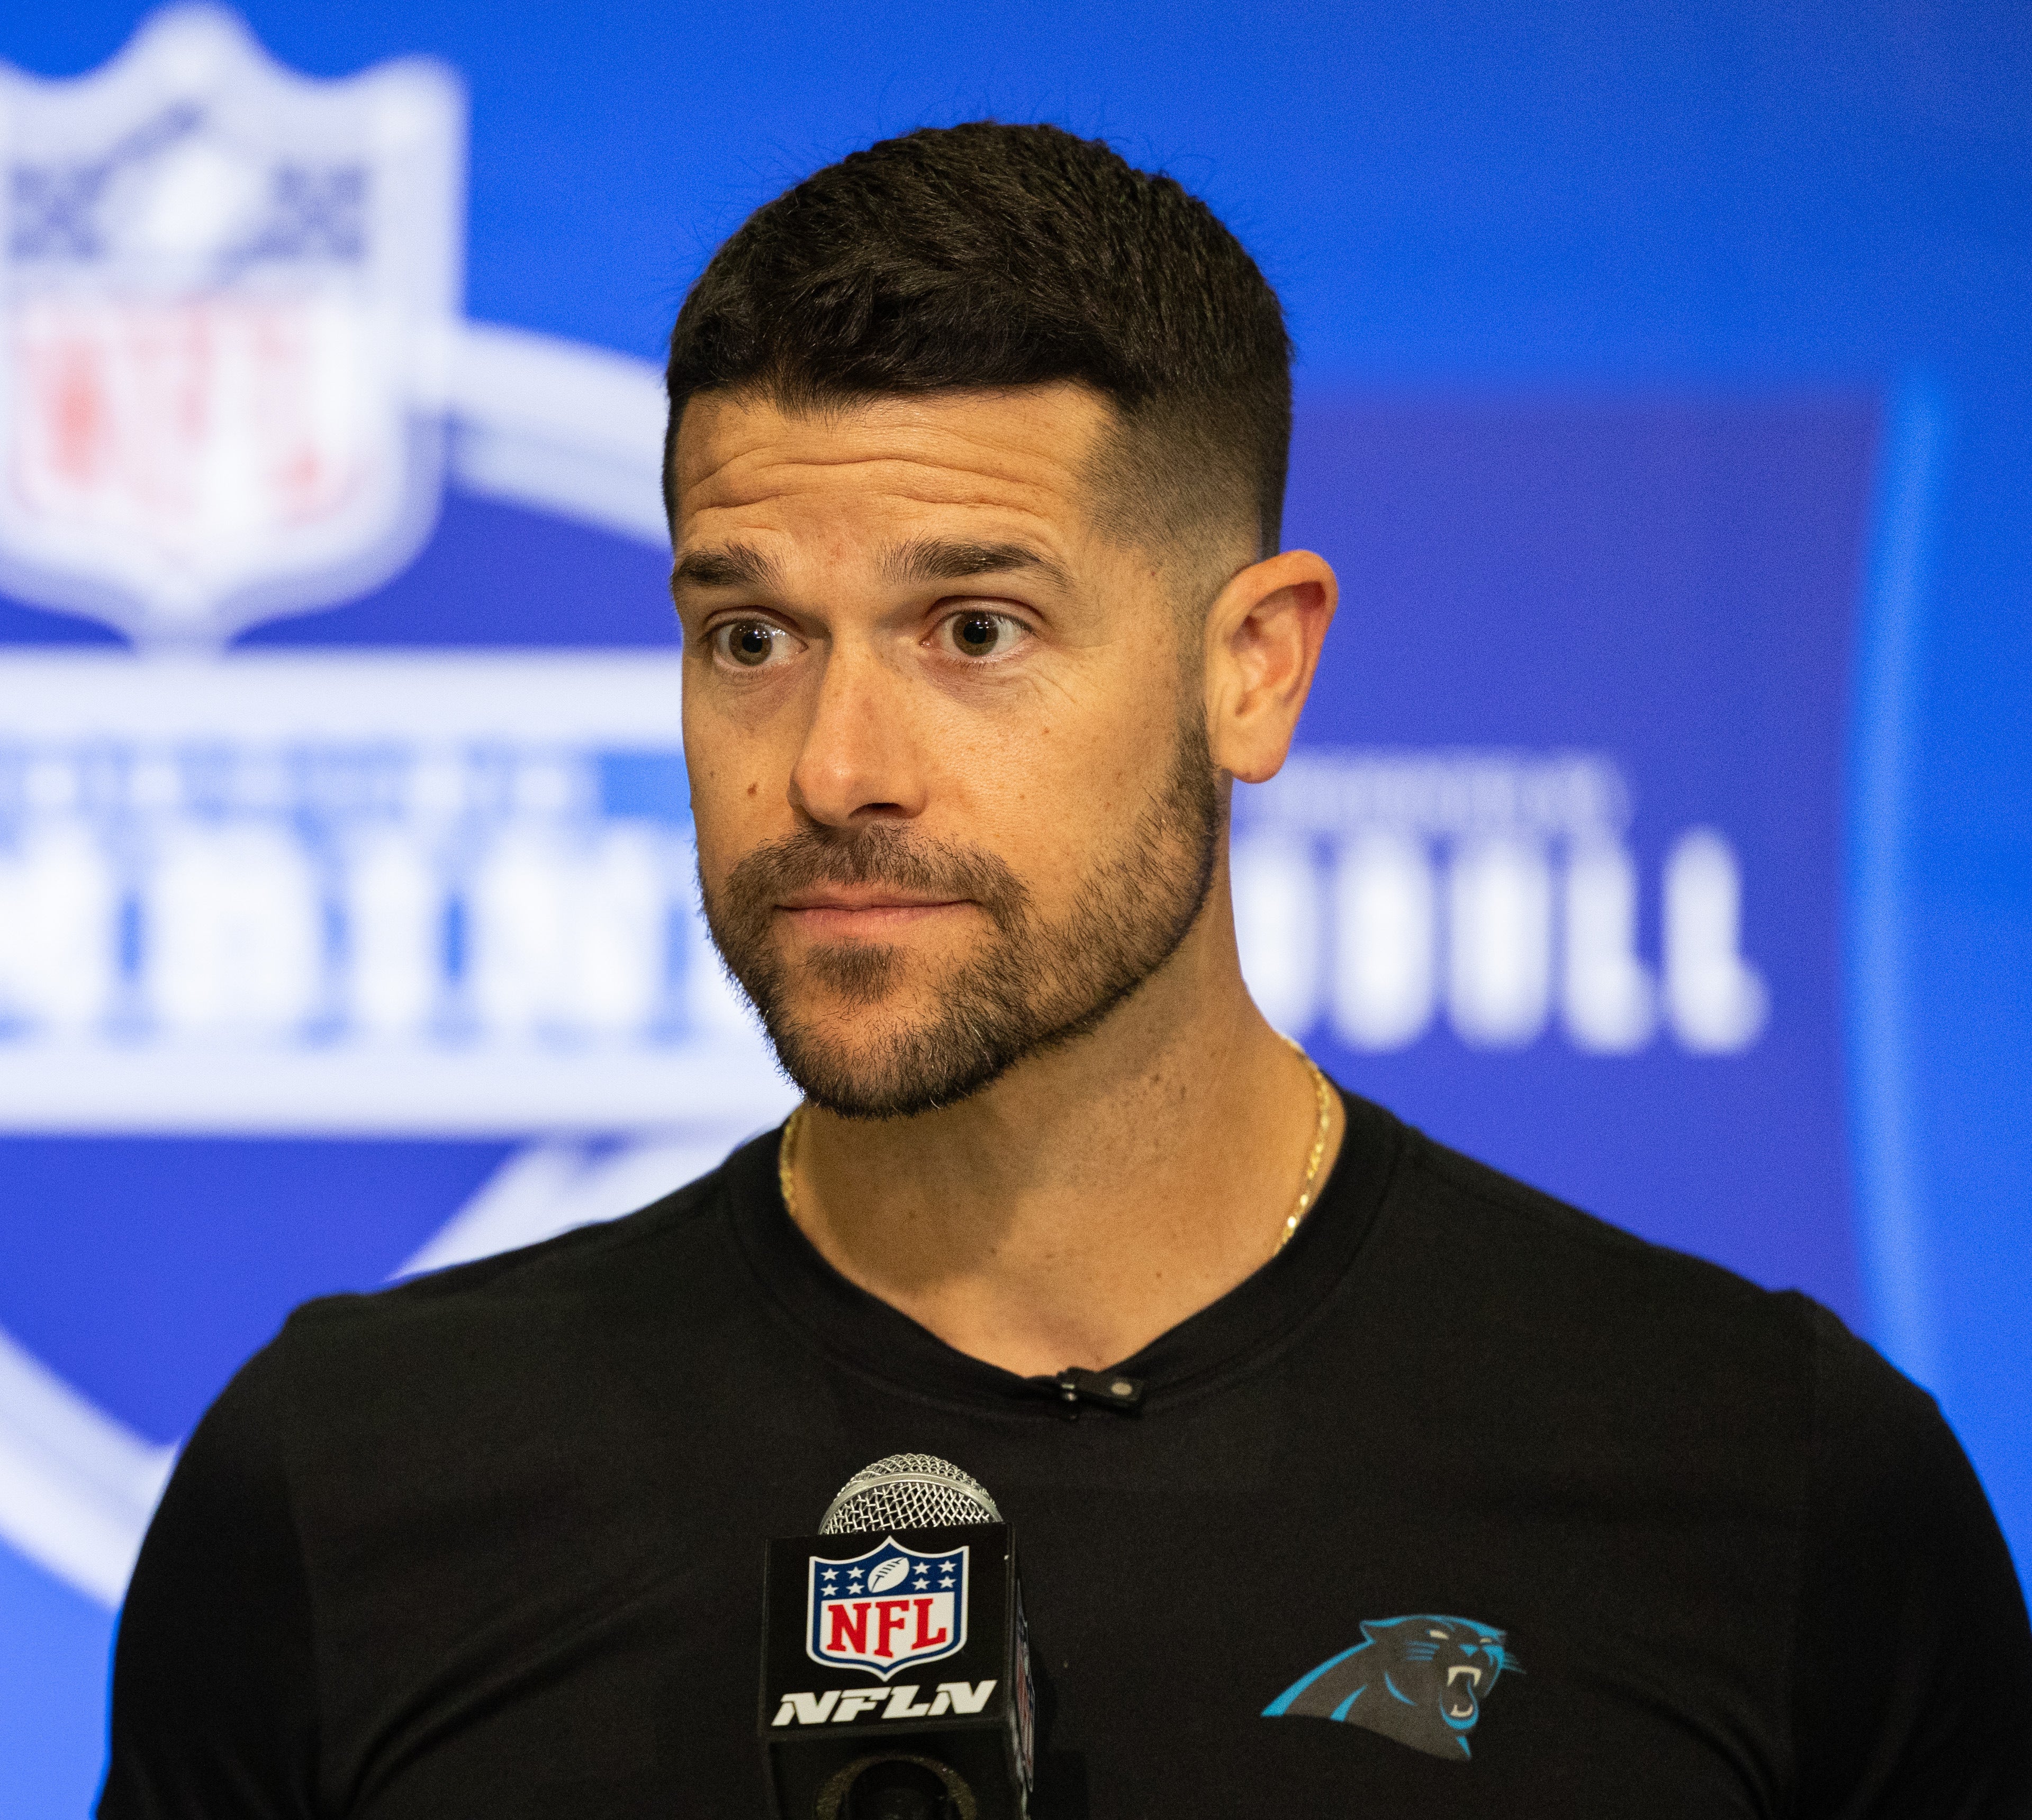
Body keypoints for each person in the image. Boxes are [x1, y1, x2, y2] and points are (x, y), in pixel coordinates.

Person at [98, 123, 2031, 1818]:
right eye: (752, 638)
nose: (837, 769)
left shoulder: (1759, 1481)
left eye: (974, 628)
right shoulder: (350, 1490)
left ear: (1253, 667)